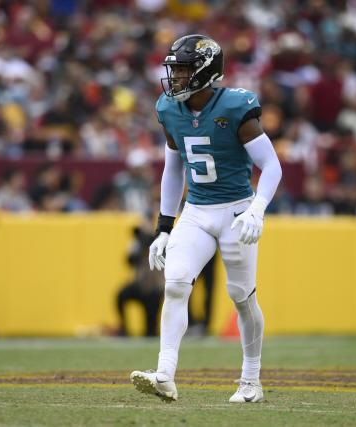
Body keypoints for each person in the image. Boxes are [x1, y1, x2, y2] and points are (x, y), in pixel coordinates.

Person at [130, 35, 282, 403]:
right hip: (196, 211)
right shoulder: (168, 108)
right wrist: (164, 227)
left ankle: (251, 381)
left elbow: (272, 164)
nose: (175, 77)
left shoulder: (234, 106)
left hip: (235, 210)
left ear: (204, 71)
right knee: (176, 282)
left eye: (181, 70)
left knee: (241, 297)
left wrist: (257, 208)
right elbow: (172, 168)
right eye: (174, 70)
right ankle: (165, 374)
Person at [116, 222, 165, 337]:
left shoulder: (160, 244)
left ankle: (150, 335)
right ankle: (124, 329)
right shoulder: (138, 247)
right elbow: (129, 261)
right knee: (121, 296)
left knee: (150, 330)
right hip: (140, 286)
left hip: (155, 289)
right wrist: (139, 246)